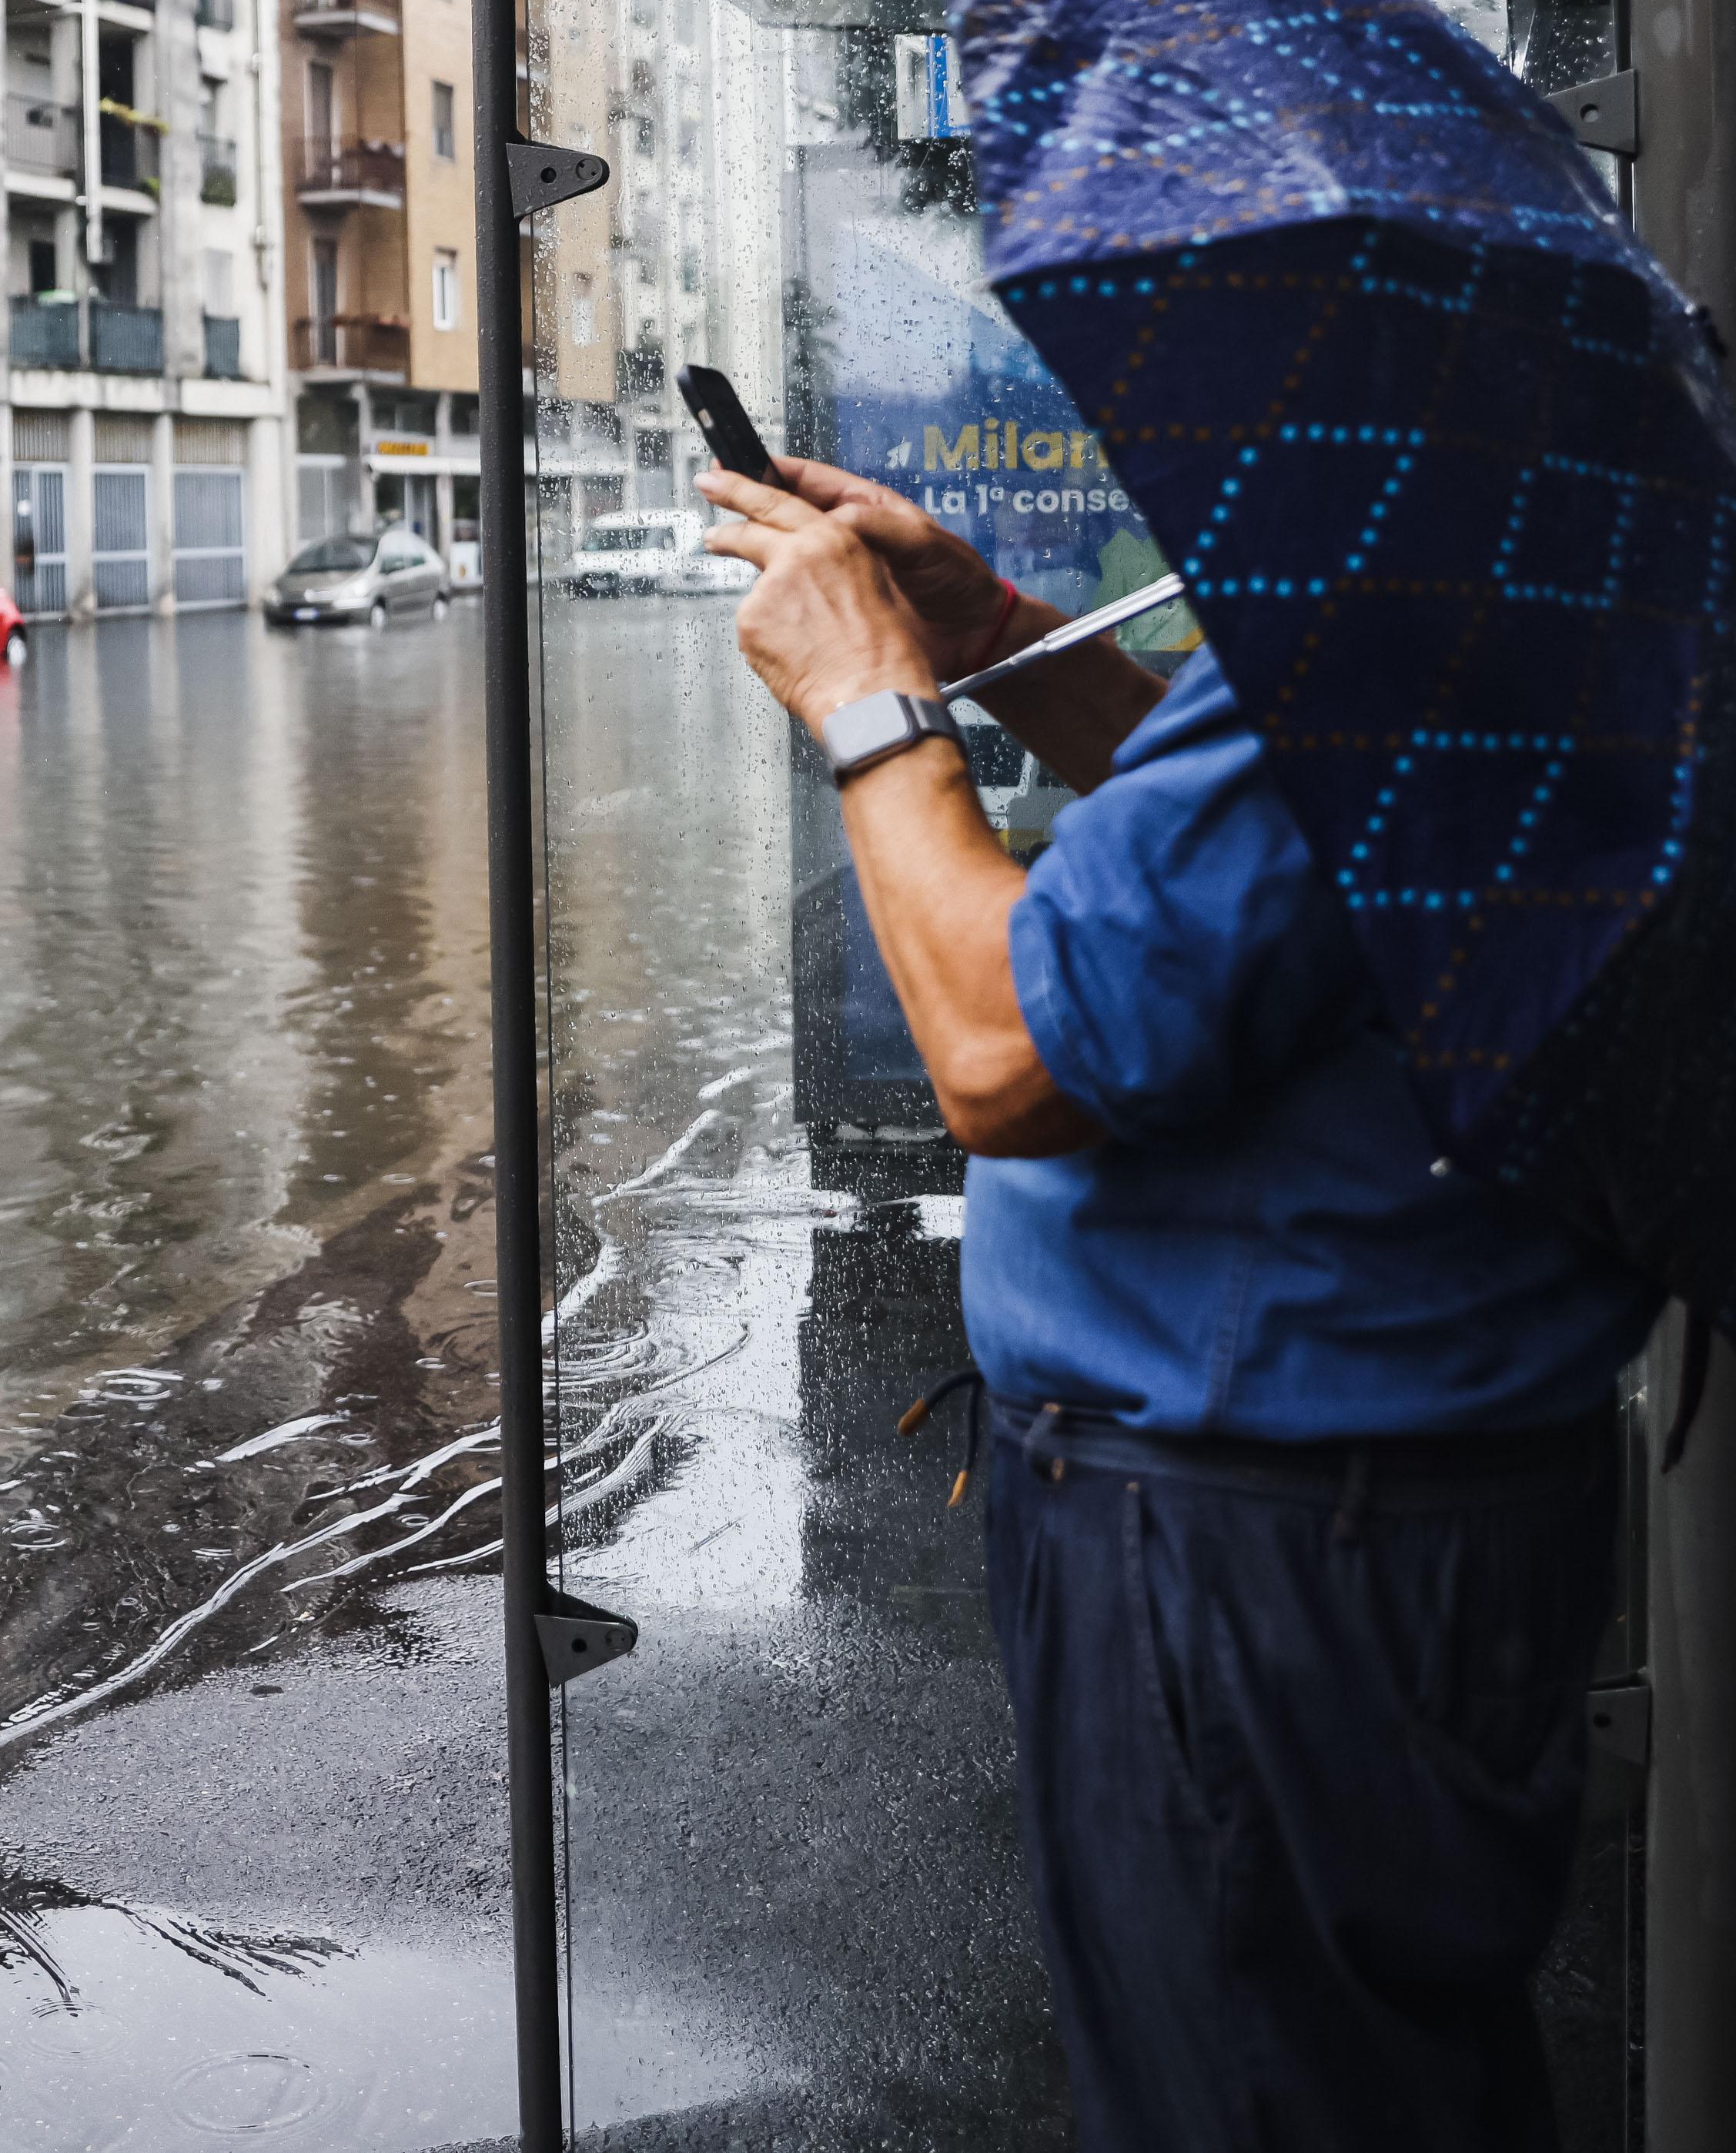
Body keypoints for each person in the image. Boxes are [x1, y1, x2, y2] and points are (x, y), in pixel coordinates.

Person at [697, 450, 1658, 2152]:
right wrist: (995, 628)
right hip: (1404, 1492)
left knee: (1245, 2091)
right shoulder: (1510, 563)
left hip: (1263, 1549)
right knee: (1384, 2083)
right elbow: (1253, 848)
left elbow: (1011, 1051)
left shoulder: (1392, 610)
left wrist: (871, 702)